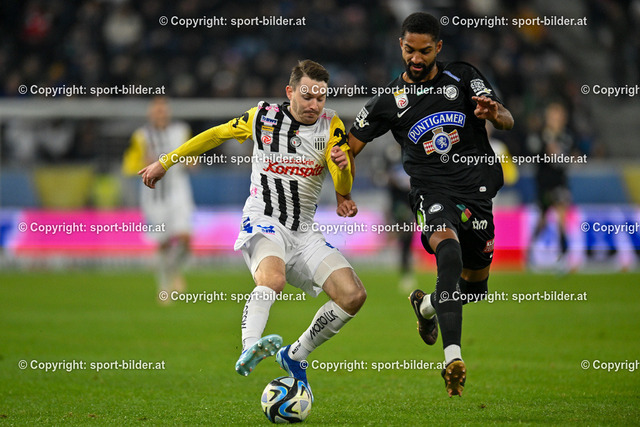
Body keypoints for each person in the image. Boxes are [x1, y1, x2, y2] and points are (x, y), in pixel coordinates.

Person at [139, 60, 366, 400]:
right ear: (290, 92)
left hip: (305, 232)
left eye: (320, 98)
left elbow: (342, 183)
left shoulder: (331, 125)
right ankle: (249, 346)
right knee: (272, 279)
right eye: (307, 97)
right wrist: (165, 161)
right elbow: (215, 135)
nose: (314, 105)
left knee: (352, 296)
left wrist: (344, 172)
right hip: (264, 221)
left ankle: (295, 354)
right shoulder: (263, 117)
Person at [336, 12, 514, 397]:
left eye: (425, 51)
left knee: (475, 288)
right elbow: (348, 148)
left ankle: (427, 306)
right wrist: (342, 188)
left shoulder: (463, 77)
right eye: (409, 50)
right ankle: (453, 358)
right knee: (447, 252)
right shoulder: (389, 100)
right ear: (400, 46)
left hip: (476, 194)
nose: (416, 59)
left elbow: (506, 119)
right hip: (431, 193)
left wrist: (495, 114)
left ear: (438, 48)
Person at [123, 96, 194, 301]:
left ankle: (173, 270)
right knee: (163, 244)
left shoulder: (181, 131)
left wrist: (191, 162)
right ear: (150, 114)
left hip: (179, 193)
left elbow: (193, 158)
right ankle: (164, 289)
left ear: (168, 113)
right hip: (154, 197)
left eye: (163, 110)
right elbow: (128, 166)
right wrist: (141, 163)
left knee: (185, 239)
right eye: (157, 111)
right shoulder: (141, 136)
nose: (160, 114)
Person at [527, 102, 575, 265]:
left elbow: (567, 157)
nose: (556, 119)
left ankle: (563, 256)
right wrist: (546, 149)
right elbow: (533, 153)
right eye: (553, 116)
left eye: (559, 116)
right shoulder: (540, 136)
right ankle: (531, 250)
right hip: (544, 184)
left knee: (562, 215)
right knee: (543, 218)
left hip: (560, 183)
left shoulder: (566, 137)